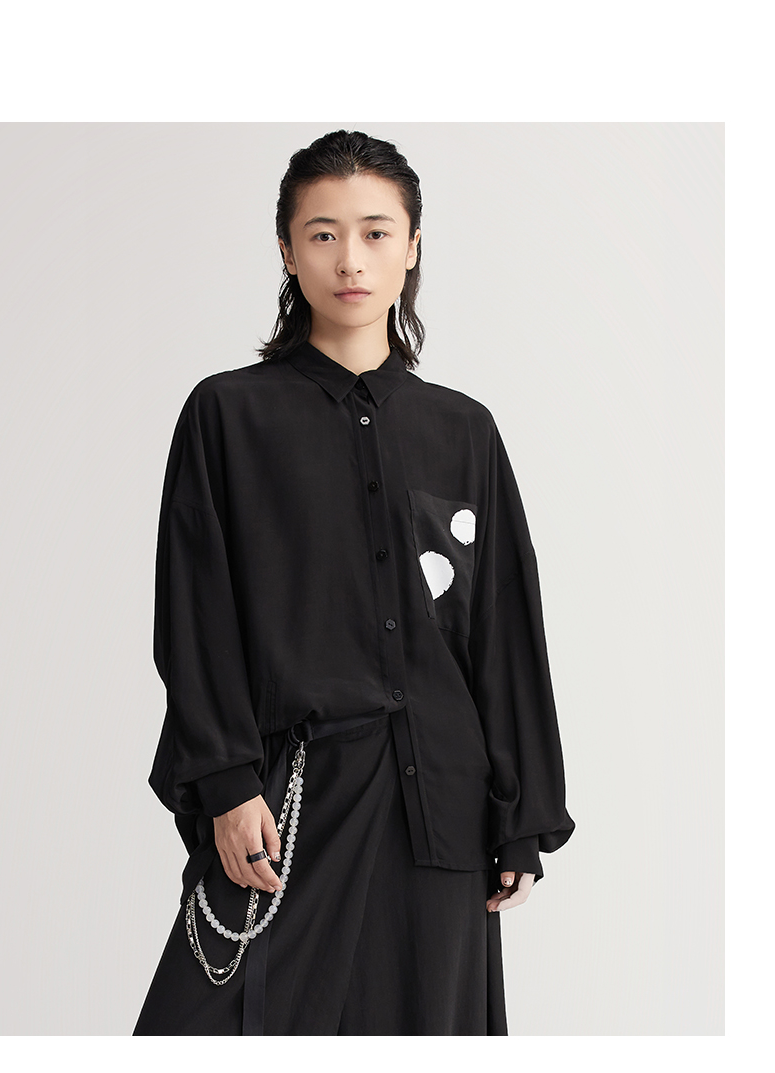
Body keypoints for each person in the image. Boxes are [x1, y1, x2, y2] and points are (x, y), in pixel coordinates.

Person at [132, 129, 575, 1036]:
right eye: (323, 233)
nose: (351, 260)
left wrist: (521, 808)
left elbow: (501, 625)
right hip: (289, 794)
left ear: (412, 247)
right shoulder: (228, 415)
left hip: (438, 803)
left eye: (376, 233)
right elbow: (195, 610)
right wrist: (226, 780)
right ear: (287, 249)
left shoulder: (463, 430)